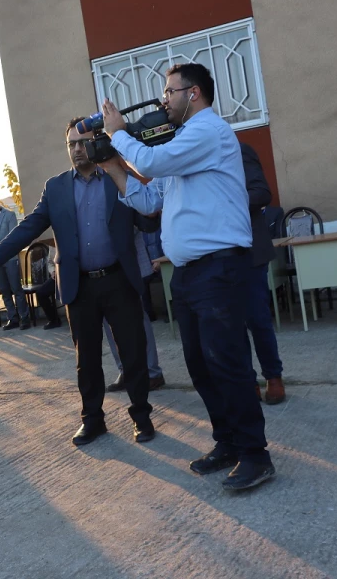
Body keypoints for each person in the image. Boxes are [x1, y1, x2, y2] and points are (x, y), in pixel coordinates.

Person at [100, 62, 274, 490]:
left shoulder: (208, 131)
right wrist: (112, 167)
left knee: (228, 364)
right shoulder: (184, 144)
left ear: (193, 93)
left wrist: (117, 132)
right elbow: (146, 200)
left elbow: (153, 161)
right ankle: (228, 442)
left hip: (219, 268)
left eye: (169, 92)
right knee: (200, 365)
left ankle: (256, 454)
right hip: (190, 275)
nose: (164, 100)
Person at [0, 117, 157, 447]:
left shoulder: (116, 176)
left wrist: (129, 169)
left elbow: (148, 219)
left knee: (133, 354)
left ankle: (141, 417)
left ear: (97, 142)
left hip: (118, 281)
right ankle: (92, 420)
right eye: (71, 143)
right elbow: (28, 229)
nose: (77, 149)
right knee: (86, 359)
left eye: (83, 142)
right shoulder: (55, 187)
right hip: (79, 286)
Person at [241, 142, 286, 404]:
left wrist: (223, 200)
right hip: (216, 253)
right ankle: (248, 381)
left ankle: (274, 377)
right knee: (232, 325)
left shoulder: (240, 150)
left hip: (249, 251)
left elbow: (261, 193)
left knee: (258, 321)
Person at [106, 228, 165, 392]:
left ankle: (152, 373)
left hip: (126, 260)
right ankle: (125, 371)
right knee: (108, 320)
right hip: (96, 267)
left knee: (137, 316)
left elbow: (134, 219)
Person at [0, 191, 31, 330]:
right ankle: (12, 318)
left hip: (10, 258)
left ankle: (24, 317)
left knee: (16, 288)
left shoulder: (10, 215)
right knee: (4, 290)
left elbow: (13, 236)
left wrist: (3, 251)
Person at [28, 243, 62, 330]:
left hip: (71, 274)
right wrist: (53, 271)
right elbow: (50, 262)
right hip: (57, 276)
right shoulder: (53, 242)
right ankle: (54, 320)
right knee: (41, 293)